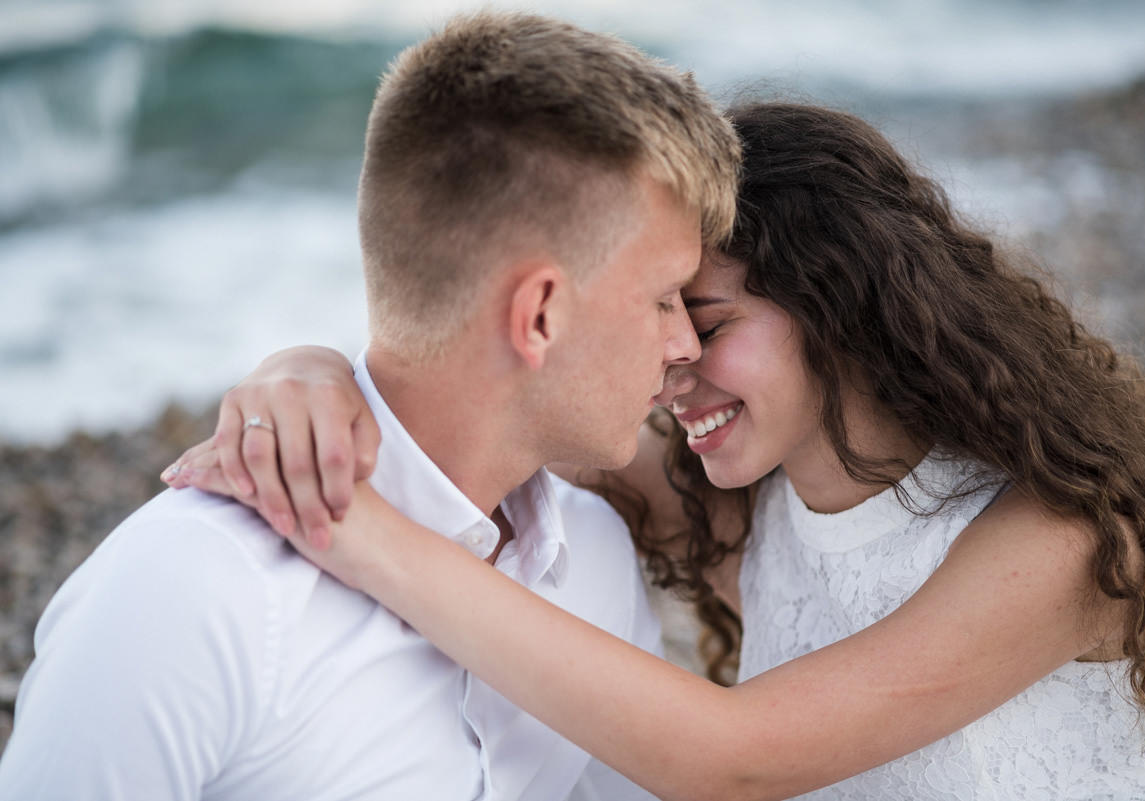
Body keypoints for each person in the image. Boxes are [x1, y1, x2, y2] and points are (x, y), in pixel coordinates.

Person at [166, 102, 1145, 800]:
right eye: (658, 320)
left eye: (703, 323)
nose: (670, 366)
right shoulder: (738, 508)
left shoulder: (1059, 540)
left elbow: (732, 758)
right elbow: (473, 388)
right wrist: (302, 370)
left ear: (839, 304)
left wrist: (354, 532)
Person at [0, 13, 743, 800]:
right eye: (663, 299)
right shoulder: (188, 591)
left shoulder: (595, 560)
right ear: (540, 317)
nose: (684, 346)